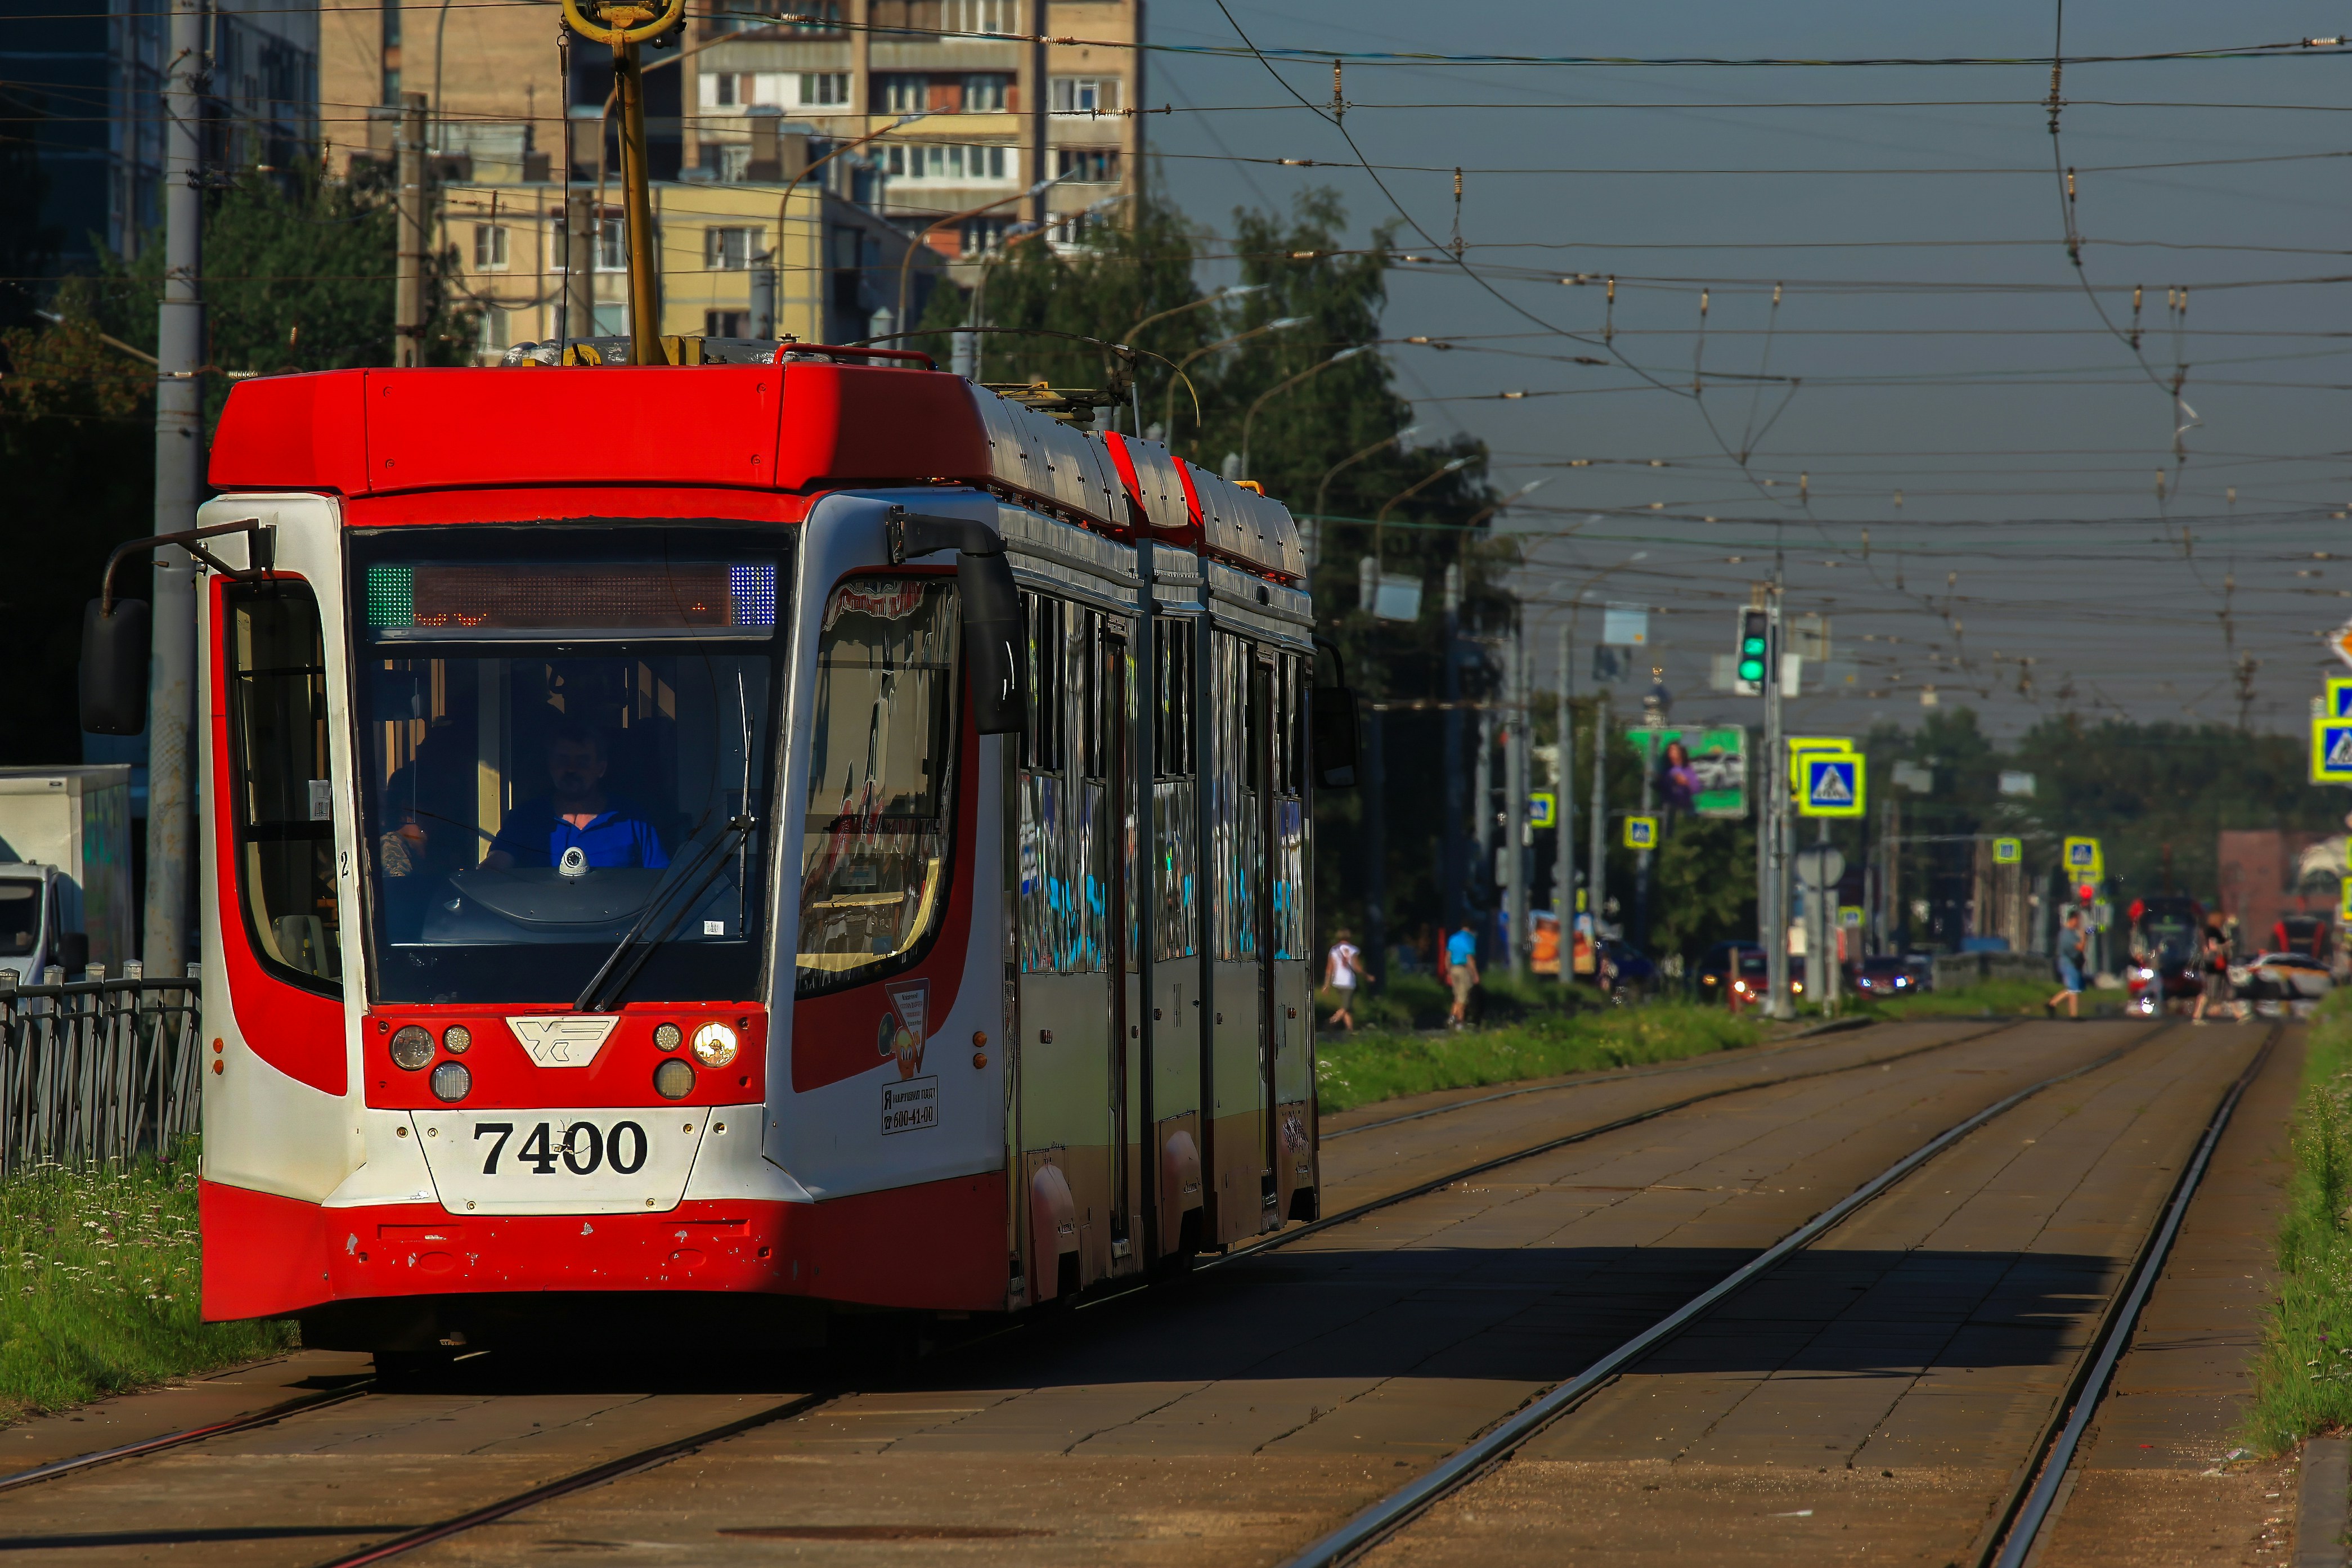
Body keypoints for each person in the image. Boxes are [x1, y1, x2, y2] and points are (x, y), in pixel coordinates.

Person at [484, 720, 670, 871]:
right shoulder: (526, 817)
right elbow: (495, 869)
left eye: (583, 761)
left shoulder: (633, 818)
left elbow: (660, 880)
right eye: (563, 760)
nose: (571, 769)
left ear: (601, 768)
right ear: (551, 766)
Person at [2192, 913, 2239, 1025]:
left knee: (2227, 989)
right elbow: (2213, 946)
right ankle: (2197, 1016)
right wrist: (2227, 945)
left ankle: (2240, 1014)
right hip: (2215, 964)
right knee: (2210, 992)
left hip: (2218, 964)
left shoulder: (2213, 930)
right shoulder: (2212, 931)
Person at [1325, 928, 1372, 1031]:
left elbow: (1330, 968)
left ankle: (1350, 1031)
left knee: (1347, 1008)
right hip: (1348, 981)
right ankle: (1331, 1021)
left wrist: (1326, 985)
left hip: (1337, 982)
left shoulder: (1334, 949)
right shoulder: (1353, 949)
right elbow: (1356, 967)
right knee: (1346, 1007)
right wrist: (1366, 976)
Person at [2047, 909, 2087, 1019]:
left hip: (2070, 963)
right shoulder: (2066, 934)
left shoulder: (2070, 933)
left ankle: (2053, 1004)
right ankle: (2071, 1014)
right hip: (2067, 963)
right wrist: (2084, 936)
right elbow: (2080, 948)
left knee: (2072, 989)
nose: (2078, 923)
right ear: (2073, 919)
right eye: (2078, 920)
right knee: (2073, 989)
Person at [1445, 923, 1481, 1031]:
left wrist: (1448, 972)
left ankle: (1452, 1017)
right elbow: (1470, 958)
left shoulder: (1453, 938)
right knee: (1463, 998)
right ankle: (1459, 1022)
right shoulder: (1469, 939)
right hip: (1464, 970)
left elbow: (1447, 956)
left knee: (1457, 996)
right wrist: (1475, 974)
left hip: (1453, 969)